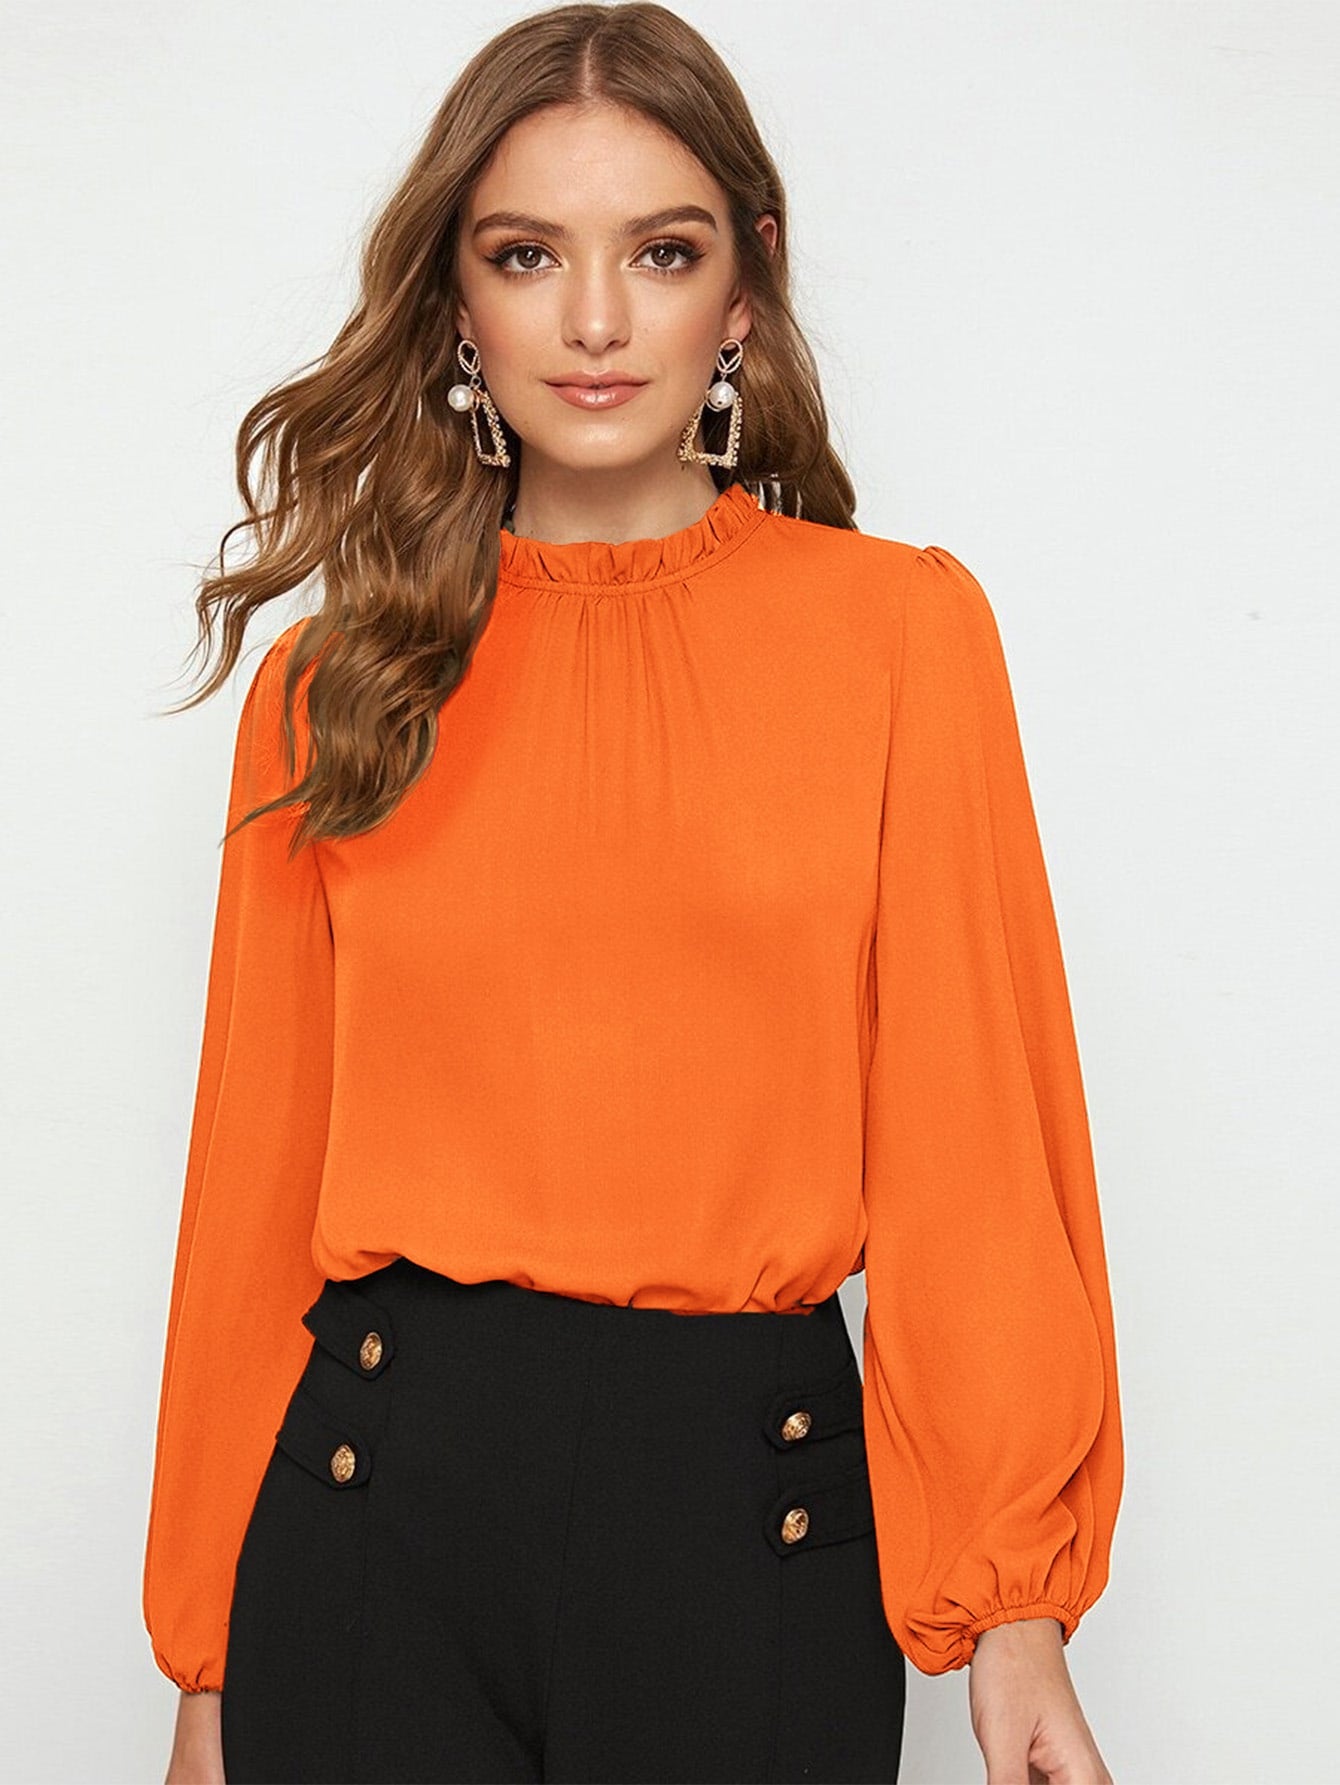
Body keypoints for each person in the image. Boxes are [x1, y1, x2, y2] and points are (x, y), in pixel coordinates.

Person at [143, 5, 1124, 1782]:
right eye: (528, 255)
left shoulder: (895, 639)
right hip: (373, 1523)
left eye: (660, 253)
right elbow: (253, 1187)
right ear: (457, 299)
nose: (595, 322)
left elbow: (973, 1135)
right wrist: (208, 1663)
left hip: (747, 1523)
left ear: (743, 289)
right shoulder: (335, 684)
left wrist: (1015, 1604)